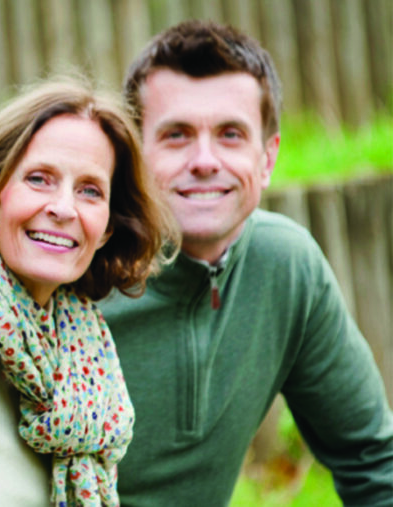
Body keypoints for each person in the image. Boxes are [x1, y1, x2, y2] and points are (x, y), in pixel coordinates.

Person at [100, 20, 393, 505]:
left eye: (230, 135)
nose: (205, 160)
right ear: (132, 152)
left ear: (267, 157)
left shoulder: (286, 266)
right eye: (176, 135)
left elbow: (372, 459)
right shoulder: (76, 271)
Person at [0, 80, 177, 506]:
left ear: (108, 226)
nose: (63, 208)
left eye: (90, 190)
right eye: (39, 179)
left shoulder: (84, 351)